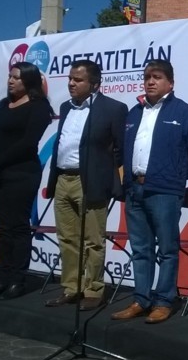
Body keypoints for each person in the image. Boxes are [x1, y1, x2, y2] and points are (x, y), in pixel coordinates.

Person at [111, 59, 188, 324]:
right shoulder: (134, 112)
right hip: (134, 189)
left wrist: (176, 175)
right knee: (140, 249)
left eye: (157, 77)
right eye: (147, 77)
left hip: (165, 191)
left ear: (170, 83)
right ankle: (141, 299)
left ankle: (164, 301)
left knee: (167, 249)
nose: (150, 81)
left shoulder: (184, 113)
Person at [44, 60, 128, 311]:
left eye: (78, 80)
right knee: (67, 238)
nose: (71, 83)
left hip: (90, 181)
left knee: (93, 240)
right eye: (70, 79)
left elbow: (120, 148)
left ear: (94, 84)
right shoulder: (65, 107)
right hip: (63, 179)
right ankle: (72, 287)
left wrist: (101, 170)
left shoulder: (113, 108)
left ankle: (93, 290)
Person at [0, 61, 54, 300]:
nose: (10, 81)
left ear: (29, 81)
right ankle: (2, 278)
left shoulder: (39, 107)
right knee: (1, 228)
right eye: (10, 76)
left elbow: (28, 143)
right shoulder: (3, 104)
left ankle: (17, 281)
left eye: (16, 77)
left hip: (21, 174)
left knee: (18, 227)